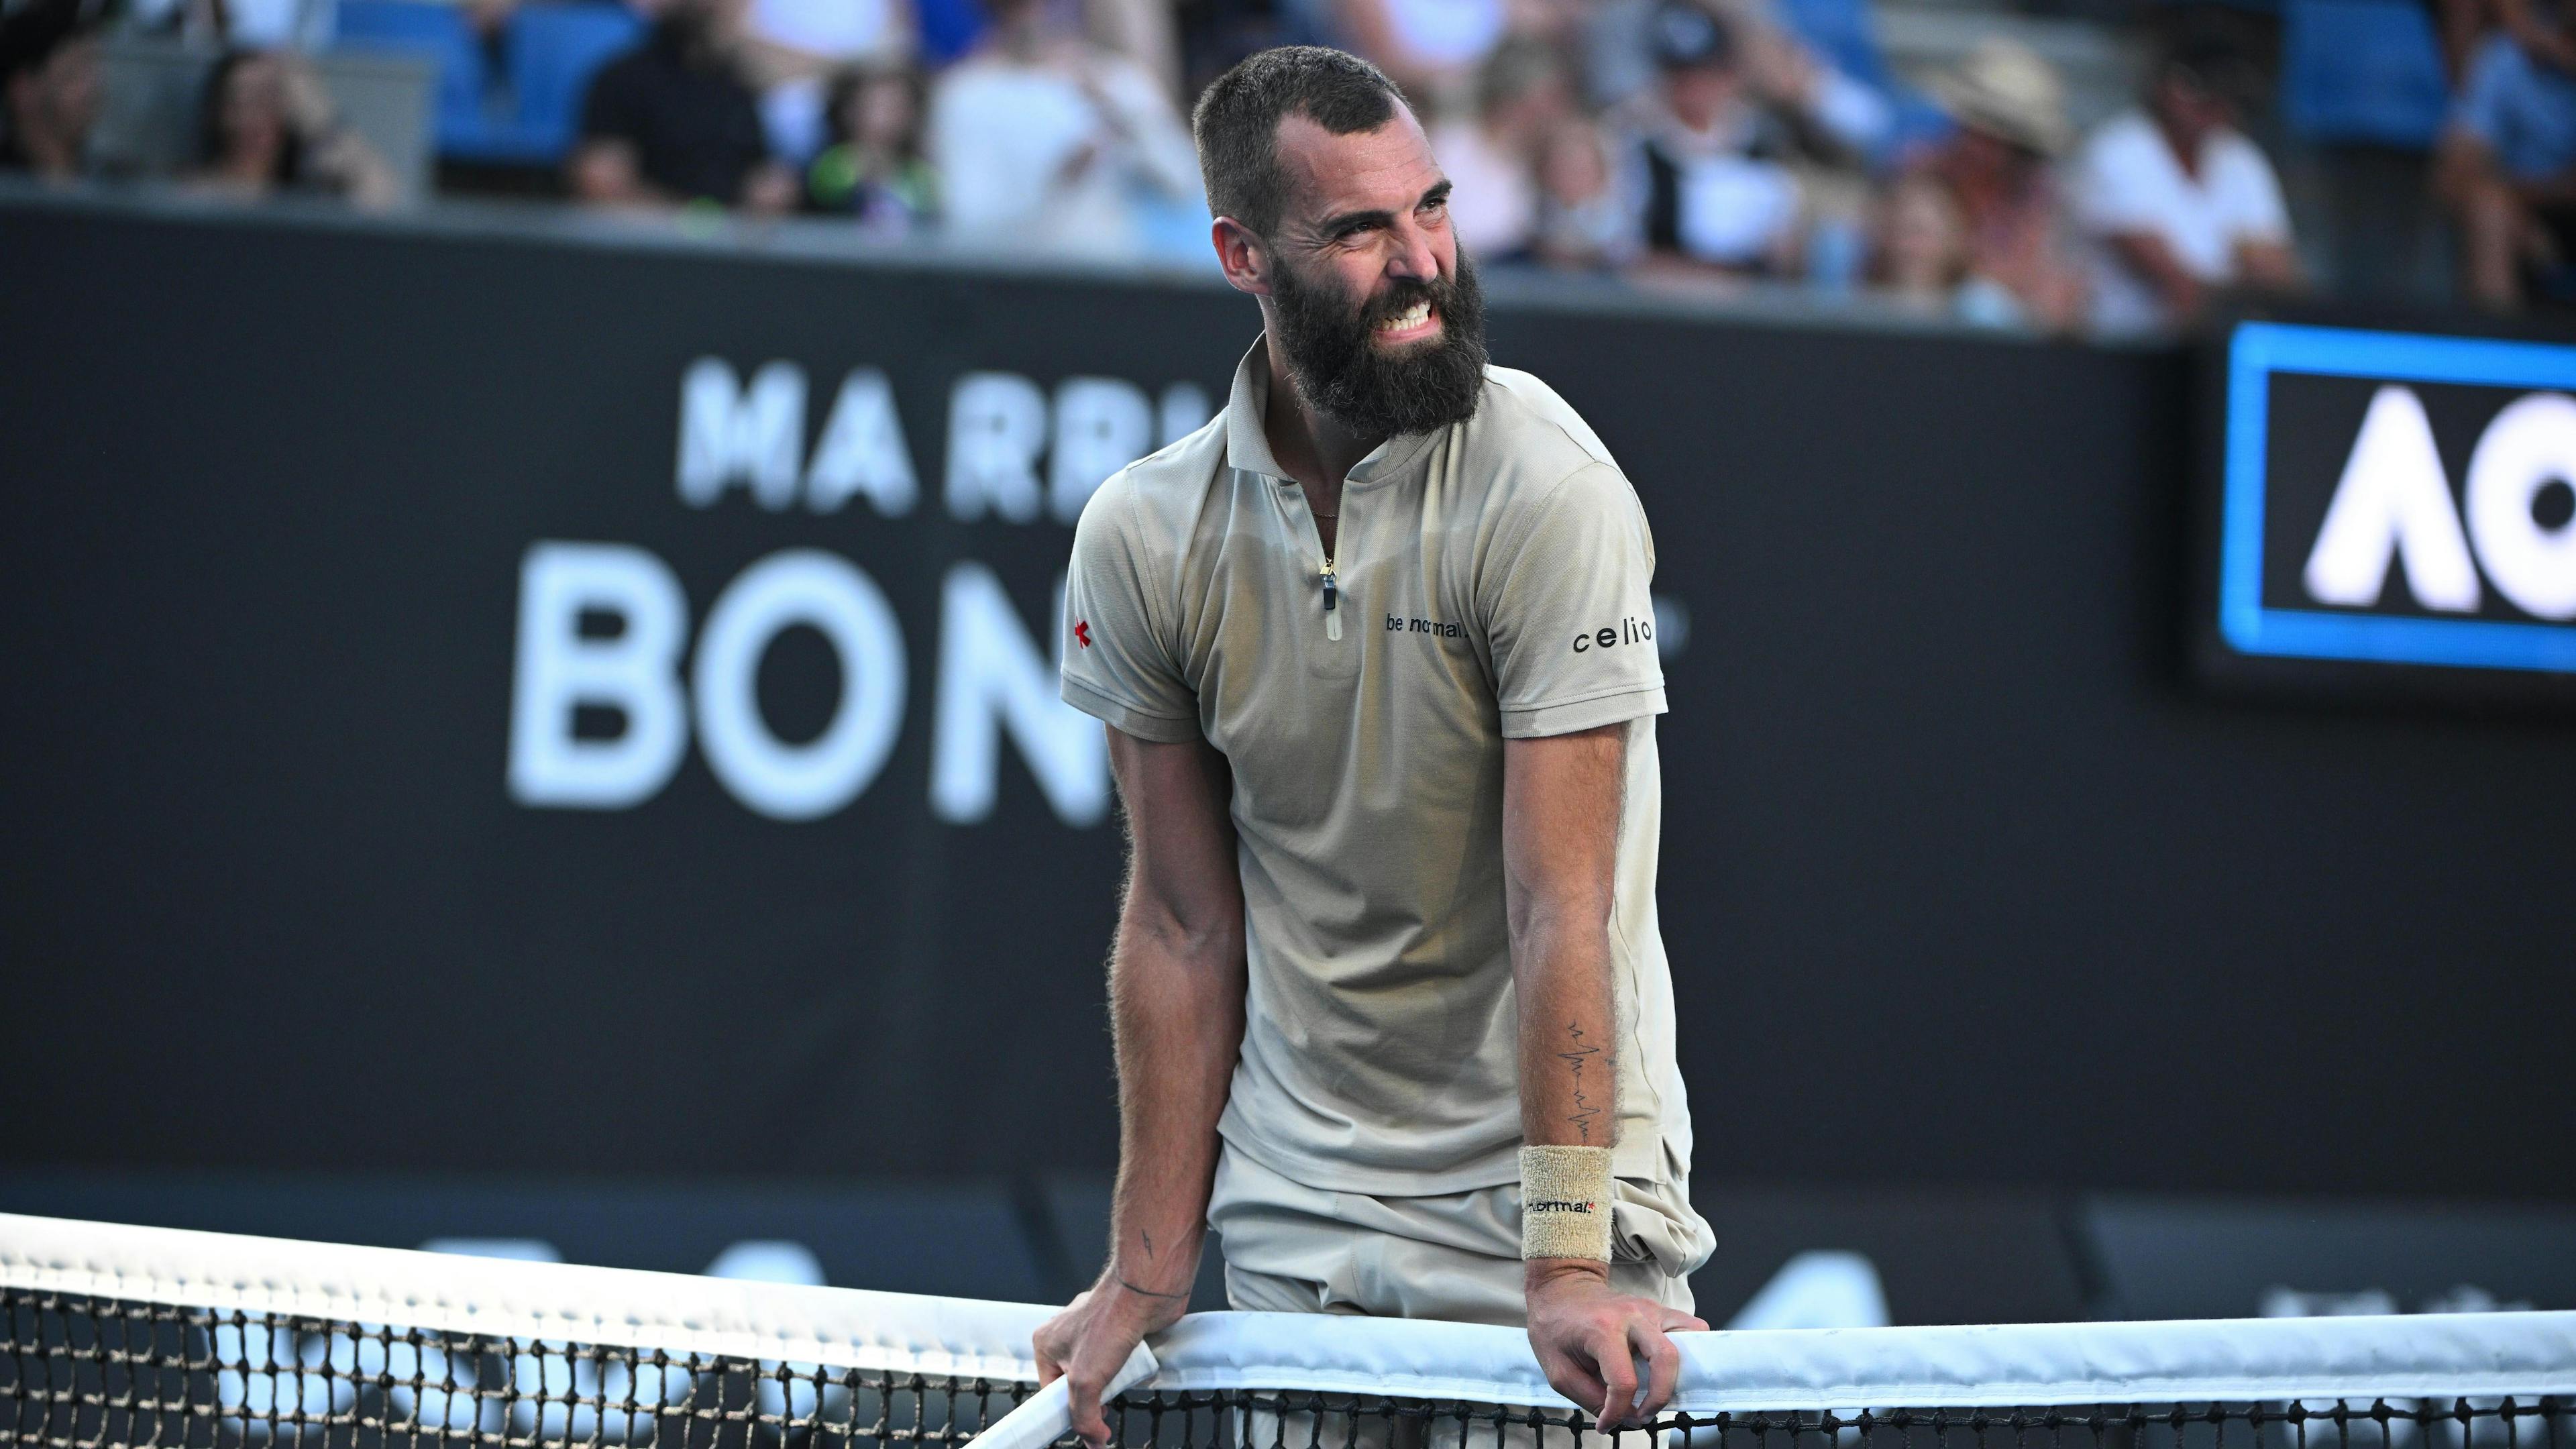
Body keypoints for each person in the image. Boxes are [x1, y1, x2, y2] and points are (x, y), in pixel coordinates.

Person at [1034, 44, 1714, 1449]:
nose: (1424, 263)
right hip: (1297, 1216)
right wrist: (1148, 1265)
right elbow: (1175, 925)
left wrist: (1569, 1264)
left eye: (1434, 209)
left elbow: (1559, 908)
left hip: (1545, 1212)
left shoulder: (1551, 490)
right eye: (1359, 231)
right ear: (1243, 255)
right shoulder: (1144, 535)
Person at [924, 0, 1201, 257]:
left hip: (1116, 280)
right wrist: (1060, 180)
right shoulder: (964, 96)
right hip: (1023, 287)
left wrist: (1124, 115)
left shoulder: (1113, 78)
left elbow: (1185, 183)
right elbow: (969, 221)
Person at [2070, 31, 2300, 336]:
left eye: (2227, 97)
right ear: (2167, 87)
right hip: (2127, 350)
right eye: (2203, 92)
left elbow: (2282, 282)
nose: (2216, 109)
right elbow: (2178, 289)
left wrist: (2253, 278)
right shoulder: (2117, 152)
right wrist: (2243, 277)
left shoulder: (2243, 160)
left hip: (2220, 351)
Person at [1617, 1, 1803, 276]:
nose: (1694, 90)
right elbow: (1626, 251)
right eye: (1681, 77)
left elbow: (1782, 247)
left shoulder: (1762, 147)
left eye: (1705, 76)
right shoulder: (1636, 146)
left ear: (1729, 78)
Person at [1913, 39, 2086, 331]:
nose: (1978, 147)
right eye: (1973, 129)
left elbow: (2055, 290)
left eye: (1995, 138)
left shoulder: (2042, 196)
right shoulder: (1921, 170)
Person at [570, 0, 798, 214]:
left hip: (732, 246)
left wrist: (769, 192)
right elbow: (600, 183)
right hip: (648, 245)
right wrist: (692, 224)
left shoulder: (741, 86)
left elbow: (764, 175)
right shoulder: (624, 78)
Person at [2436, 0, 2576, 309]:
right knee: (2490, 209)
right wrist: (2523, 216)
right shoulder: (2506, 59)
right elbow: (2453, 176)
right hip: (2530, 222)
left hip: (2548, 208)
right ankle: (2499, 348)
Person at [191, 48, 402, 208]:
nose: (256, 115)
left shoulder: (309, 197)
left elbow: (383, 200)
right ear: (218, 111)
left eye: (270, 99)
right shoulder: (194, 197)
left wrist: (321, 122)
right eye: (243, 101)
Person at [1427, 37, 1572, 258]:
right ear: (1514, 103)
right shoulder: (1447, 147)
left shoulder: (1548, 163)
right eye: (1548, 102)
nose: (1556, 115)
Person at [802, 64, 935, 233]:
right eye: (875, 106)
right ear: (850, 112)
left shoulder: (920, 176)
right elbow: (826, 195)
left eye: (896, 107)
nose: (885, 118)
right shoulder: (828, 167)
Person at [0, 0, 103, 184]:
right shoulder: (9, 189)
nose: (92, 88)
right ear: (23, 90)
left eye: (91, 71)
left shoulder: (109, 181)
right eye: (72, 74)